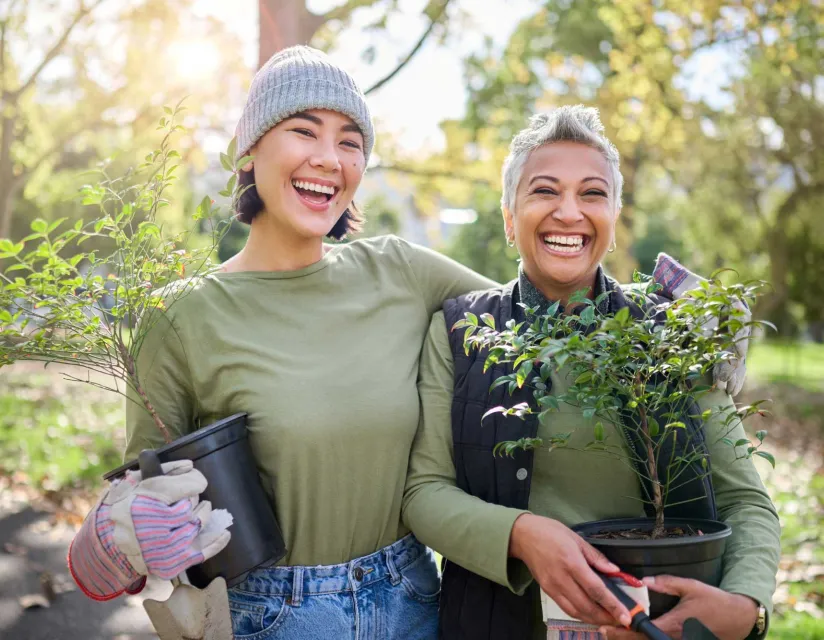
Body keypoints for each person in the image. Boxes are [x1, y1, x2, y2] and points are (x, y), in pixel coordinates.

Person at [66, 49, 750, 639]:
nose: (328, 160)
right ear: (250, 149)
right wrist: (113, 545)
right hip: (276, 615)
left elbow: (551, 301)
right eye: (305, 131)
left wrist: (681, 321)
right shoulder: (180, 317)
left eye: (350, 142)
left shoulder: (399, 269)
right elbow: (142, 498)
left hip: (419, 601)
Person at [401, 106, 780, 640]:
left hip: (659, 623)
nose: (569, 212)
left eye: (593, 194)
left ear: (614, 218)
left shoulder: (673, 336)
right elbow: (424, 491)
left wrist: (746, 606)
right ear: (509, 219)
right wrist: (520, 534)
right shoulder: (462, 332)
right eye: (544, 191)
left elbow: (744, 499)